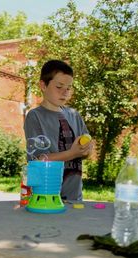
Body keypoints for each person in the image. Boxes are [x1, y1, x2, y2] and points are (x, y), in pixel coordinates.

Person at [24, 59, 93, 201]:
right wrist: (73, 153)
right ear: (43, 85)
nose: (65, 92)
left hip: (74, 197)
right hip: (44, 198)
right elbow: (38, 160)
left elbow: (85, 151)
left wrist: (87, 150)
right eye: (59, 87)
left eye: (68, 88)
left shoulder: (75, 115)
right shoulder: (35, 116)